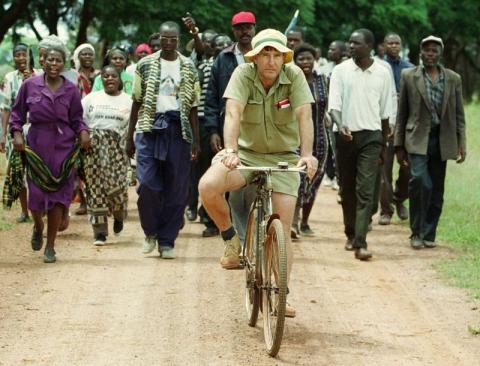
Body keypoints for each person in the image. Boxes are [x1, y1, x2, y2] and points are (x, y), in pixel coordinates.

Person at [199, 29, 318, 318]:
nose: (271, 60)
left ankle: (281, 292)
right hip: (245, 155)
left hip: (282, 159)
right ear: (254, 56)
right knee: (208, 186)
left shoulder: (295, 76)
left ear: (284, 57)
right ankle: (231, 239)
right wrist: (229, 150)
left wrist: (307, 154)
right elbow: (233, 114)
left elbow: (304, 115)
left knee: (282, 227)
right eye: (265, 53)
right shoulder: (242, 73)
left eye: (277, 54)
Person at [9, 45, 91, 263]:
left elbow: (77, 119)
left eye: (58, 61)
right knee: (36, 197)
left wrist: (83, 133)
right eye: (50, 60)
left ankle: (51, 245)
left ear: (64, 64)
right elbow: (16, 115)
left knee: (57, 198)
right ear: (42, 61)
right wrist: (16, 135)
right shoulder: (29, 85)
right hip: (37, 146)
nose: (54, 64)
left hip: (64, 148)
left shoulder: (71, 89)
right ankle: (38, 225)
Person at [125, 21, 200, 259]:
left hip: (179, 132)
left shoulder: (188, 66)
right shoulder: (145, 64)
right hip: (149, 130)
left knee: (177, 189)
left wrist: (195, 140)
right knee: (147, 185)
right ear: (160, 38)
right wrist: (129, 137)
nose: (169, 43)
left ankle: (167, 241)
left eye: (173, 39)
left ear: (178, 40)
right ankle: (150, 232)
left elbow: (193, 107)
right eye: (165, 38)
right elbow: (136, 100)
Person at [394, 35, 466, 249]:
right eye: (426, 50)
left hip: (442, 140)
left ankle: (429, 233)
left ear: (440, 54)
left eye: (434, 51)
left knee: (436, 189)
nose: (430, 54)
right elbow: (402, 112)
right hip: (416, 138)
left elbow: (459, 114)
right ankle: (415, 232)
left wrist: (462, 143)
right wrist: (399, 146)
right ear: (421, 53)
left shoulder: (453, 78)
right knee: (420, 181)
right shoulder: (409, 76)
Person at [329, 28, 393, 261]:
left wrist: (384, 145)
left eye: (355, 43)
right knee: (347, 189)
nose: (350, 46)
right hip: (345, 137)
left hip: (372, 137)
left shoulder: (382, 73)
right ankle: (350, 231)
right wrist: (340, 124)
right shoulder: (341, 71)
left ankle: (360, 242)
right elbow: (334, 105)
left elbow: (386, 112)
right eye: (349, 42)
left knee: (365, 190)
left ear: (369, 46)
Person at [204, 11, 256, 244]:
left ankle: (263, 236)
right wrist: (213, 130)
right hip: (230, 129)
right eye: (239, 28)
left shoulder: (264, 56)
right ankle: (242, 240)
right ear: (233, 31)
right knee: (235, 187)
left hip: (259, 130)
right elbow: (212, 98)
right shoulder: (223, 58)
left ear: (254, 28)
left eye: (248, 27)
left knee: (259, 187)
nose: (244, 32)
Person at [82, 65, 131, 245]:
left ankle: (118, 215)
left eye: (113, 76)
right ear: (101, 79)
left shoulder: (128, 100)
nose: (109, 79)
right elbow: (80, 121)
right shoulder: (91, 99)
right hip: (93, 148)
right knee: (95, 189)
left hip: (117, 149)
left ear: (119, 79)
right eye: (105, 76)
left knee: (117, 187)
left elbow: (133, 126)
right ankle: (100, 233)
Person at [292, 43, 329, 237]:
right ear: (295, 61)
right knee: (297, 178)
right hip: (296, 138)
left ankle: (305, 221)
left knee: (315, 177)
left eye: (308, 58)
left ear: (314, 60)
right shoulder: (291, 81)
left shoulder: (324, 81)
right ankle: (293, 221)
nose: (305, 62)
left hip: (321, 138)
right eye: (301, 59)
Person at [378, 33, 414, 225]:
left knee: (408, 167)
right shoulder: (378, 67)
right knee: (385, 168)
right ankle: (386, 210)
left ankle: (399, 199)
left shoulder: (409, 68)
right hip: (385, 123)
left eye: (397, 43)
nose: (393, 45)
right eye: (390, 43)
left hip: (406, 124)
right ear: (383, 46)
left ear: (401, 45)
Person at [1, 43, 37, 223]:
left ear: (30, 56)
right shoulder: (9, 78)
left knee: (38, 170)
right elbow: (6, 108)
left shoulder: (39, 75)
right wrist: (3, 133)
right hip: (16, 131)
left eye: (24, 54)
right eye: (18, 55)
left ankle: (40, 208)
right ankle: (24, 211)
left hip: (37, 130)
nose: (21, 58)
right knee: (18, 170)